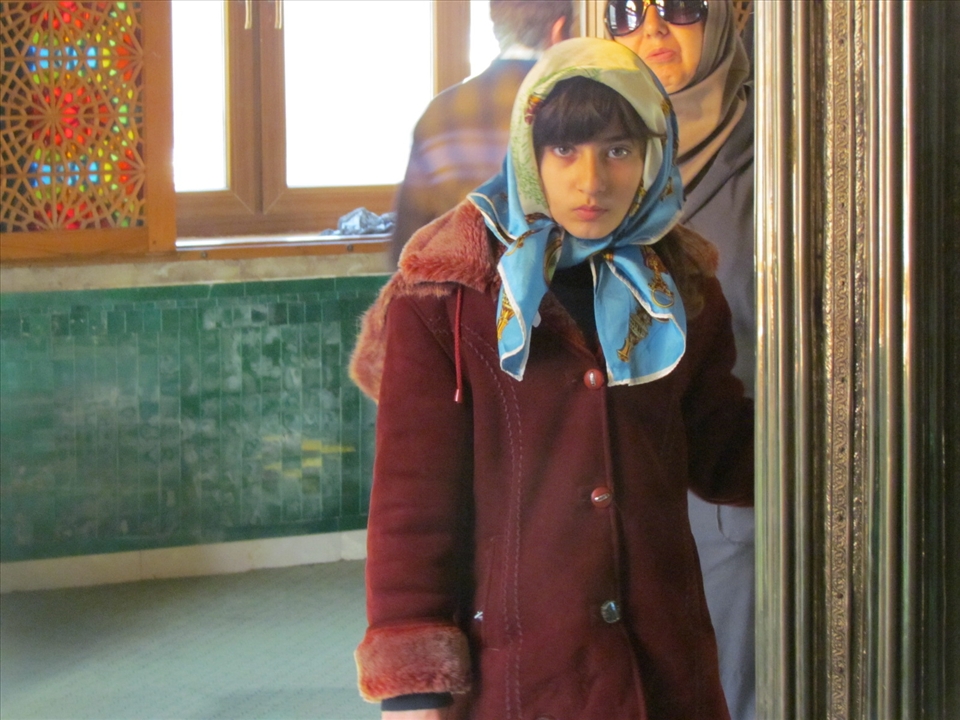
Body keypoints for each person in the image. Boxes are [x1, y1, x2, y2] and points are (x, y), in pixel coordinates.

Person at [350, 37, 753, 720]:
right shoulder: (449, 296)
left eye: (618, 151)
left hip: (663, 672)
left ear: (653, 154)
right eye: (564, 150)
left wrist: (838, 442)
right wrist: (414, 691)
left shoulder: (678, 290)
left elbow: (719, 451)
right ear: (528, 153)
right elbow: (412, 509)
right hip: (526, 674)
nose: (590, 180)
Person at [605, 1, 756, 719]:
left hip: (732, 505)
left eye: (681, 5)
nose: (652, 30)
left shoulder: (788, 153)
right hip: (614, 502)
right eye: (625, 11)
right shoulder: (589, 151)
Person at [388, 0, 574, 269]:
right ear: (559, 29)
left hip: (460, 302)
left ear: (496, 24)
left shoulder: (439, 113)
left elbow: (406, 243)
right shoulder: (579, 104)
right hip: (557, 300)